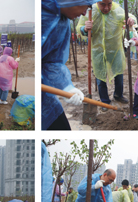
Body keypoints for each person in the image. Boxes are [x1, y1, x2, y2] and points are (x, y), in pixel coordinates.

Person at [42, 0, 96, 130]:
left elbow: (52, 62)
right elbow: (80, 29)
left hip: (45, 100)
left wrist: (66, 87)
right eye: (85, 6)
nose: (84, 13)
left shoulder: (63, 23)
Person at [77, 0, 135, 108]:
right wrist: (84, 28)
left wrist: (131, 20)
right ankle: (104, 101)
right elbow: (79, 27)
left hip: (115, 51)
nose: (107, 8)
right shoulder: (90, 11)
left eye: (109, 4)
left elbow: (130, 16)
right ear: (97, 2)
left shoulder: (117, 10)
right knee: (100, 76)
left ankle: (118, 95)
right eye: (102, 4)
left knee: (119, 75)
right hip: (98, 52)